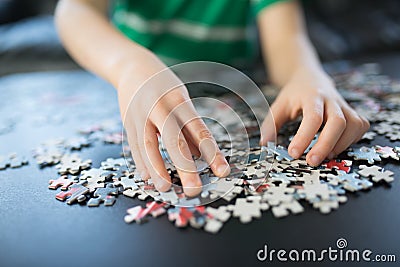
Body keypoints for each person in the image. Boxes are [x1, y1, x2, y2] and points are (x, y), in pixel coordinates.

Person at [55, 0, 369, 196]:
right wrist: (126, 65)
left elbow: (287, 41)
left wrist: (308, 75)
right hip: (129, 91)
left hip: (230, 93)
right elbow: (74, 9)